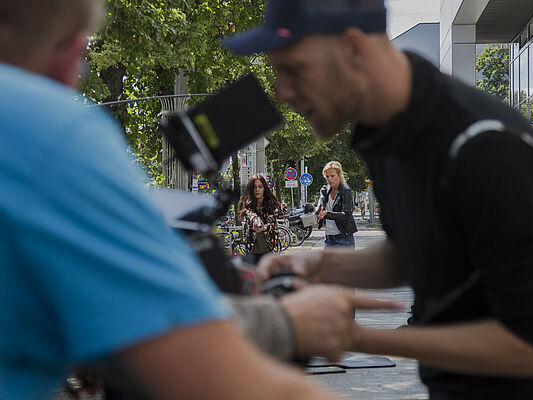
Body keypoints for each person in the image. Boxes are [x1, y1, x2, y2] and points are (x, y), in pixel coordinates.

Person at [0, 1, 403, 399]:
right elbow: (202, 364)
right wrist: (287, 323)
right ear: (72, 47)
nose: (282, 93)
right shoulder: (53, 132)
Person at [223, 0, 533, 398]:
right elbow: (409, 251)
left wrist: (356, 337)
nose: (282, 93)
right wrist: (318, 263)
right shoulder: (386, 133)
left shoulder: (486, 148)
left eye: (294, 70)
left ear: (354, 49)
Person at [238, 174, 281, 264]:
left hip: (270, 250)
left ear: (264, 188)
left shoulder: (272, 204)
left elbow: (272, 222)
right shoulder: (246, 205)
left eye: (260, 187)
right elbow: (249, 214)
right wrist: (254, 219)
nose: (257, 190)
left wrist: (264, 228)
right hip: (251, 251)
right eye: (254, 187)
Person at [315, 161, 357, 248]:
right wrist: (318, 211)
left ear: (339, 175)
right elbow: (321, 203)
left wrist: (327, 214)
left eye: (332, 176)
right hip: (328, 239)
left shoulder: (346, 192)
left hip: (344, 239)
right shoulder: (324, 190)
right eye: (327, 176)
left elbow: (347, 215)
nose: (329, 179)